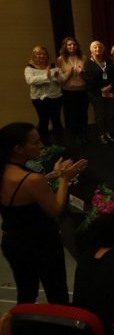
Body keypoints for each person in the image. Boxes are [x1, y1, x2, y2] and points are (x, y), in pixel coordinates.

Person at [0, 122, 87, 304]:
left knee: (26, 293)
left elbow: (24, 191)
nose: (41, 145)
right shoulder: (32, 180)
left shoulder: (6, 171)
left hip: (13, 242)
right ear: (18, 149)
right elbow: (55, 209)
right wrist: (64, 180)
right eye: (35, 143)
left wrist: (52, 175)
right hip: (42, 244)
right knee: (57, 294)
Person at [24, 46, 64, 145]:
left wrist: (56, 77)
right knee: (43, 121)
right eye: (38, 54)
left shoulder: (54, 66)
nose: (41, 56)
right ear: (34, 56)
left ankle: (60, 144)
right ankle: (43, 146)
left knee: (56, 120)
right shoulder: (29, 68)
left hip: (55, 97)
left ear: (47, 56)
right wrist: (46, 76)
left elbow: (61, 80)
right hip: (39, 99)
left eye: (43, 54)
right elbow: (30, 80)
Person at [83, 41, 114, 144]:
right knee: (100, 115)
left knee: (110, 114)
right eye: (95, 47)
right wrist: (102, 89)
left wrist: (110, 86)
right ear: (91, 50)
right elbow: (89, 80)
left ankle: (108, 133)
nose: (98, 49)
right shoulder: (88, 64)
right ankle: (101, 134)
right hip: (96, 93)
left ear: (103, 49)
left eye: (100, 47)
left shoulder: (108, 62)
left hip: (109, 91)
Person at [56, 37, 88, 144]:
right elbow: (58, 78)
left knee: (83, 114)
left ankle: (84, 134)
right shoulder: (60, 59)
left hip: (82, 90)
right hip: (68, 91)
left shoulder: (83, 57)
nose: (72, 46)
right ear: (65, 46)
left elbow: (89, 75)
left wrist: (82, 72)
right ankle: (75, 135)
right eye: (69, 44)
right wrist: (68, 74)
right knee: (73, 115)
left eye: (74, 44)